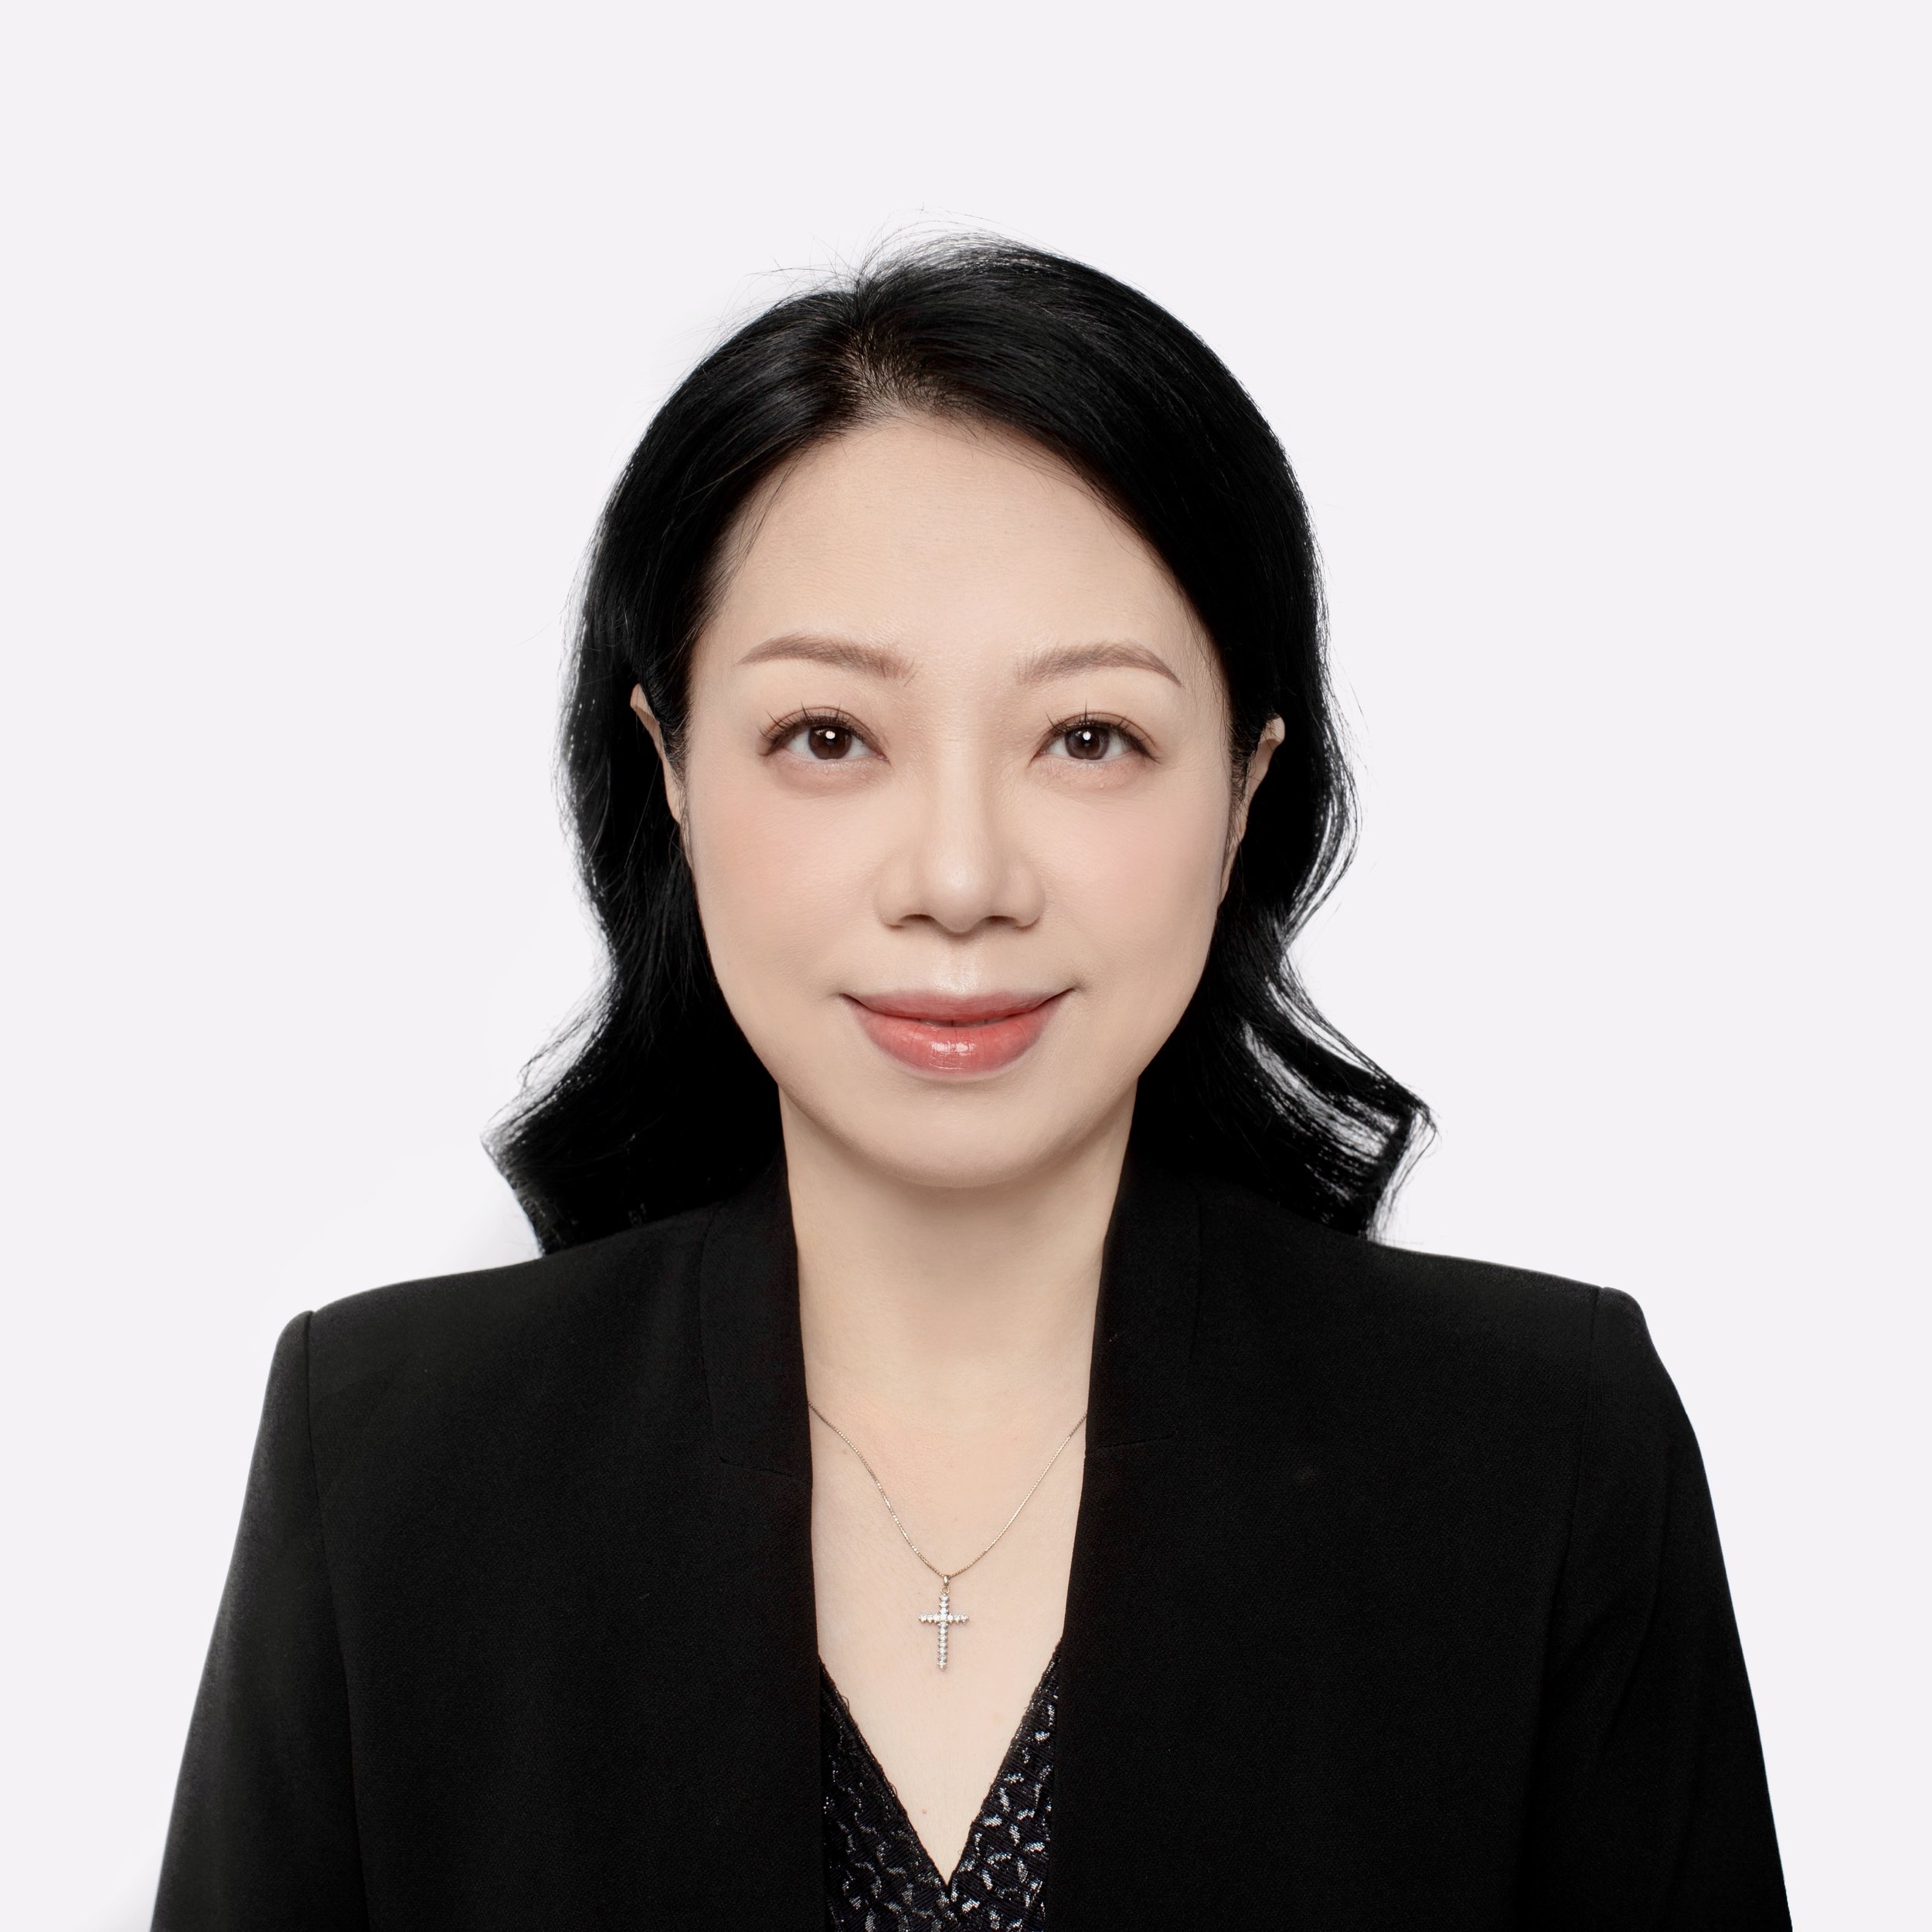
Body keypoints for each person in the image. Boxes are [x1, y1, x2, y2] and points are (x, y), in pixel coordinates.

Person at [152, 237, 1791, 1930]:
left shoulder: (1537, 1456)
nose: (957, 878)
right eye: (828, 737)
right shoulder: (392, 1458)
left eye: (1089, 738)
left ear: (1244, 790)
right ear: (670, 767)